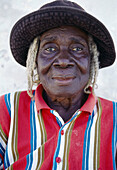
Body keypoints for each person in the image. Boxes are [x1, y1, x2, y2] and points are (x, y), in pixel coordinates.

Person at [0, 0, 117, 169]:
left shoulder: (114, 118)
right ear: (35, 60)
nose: (63, 61)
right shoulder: (7, 110)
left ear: (92, 61)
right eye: (49, 49)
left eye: (77, 49)